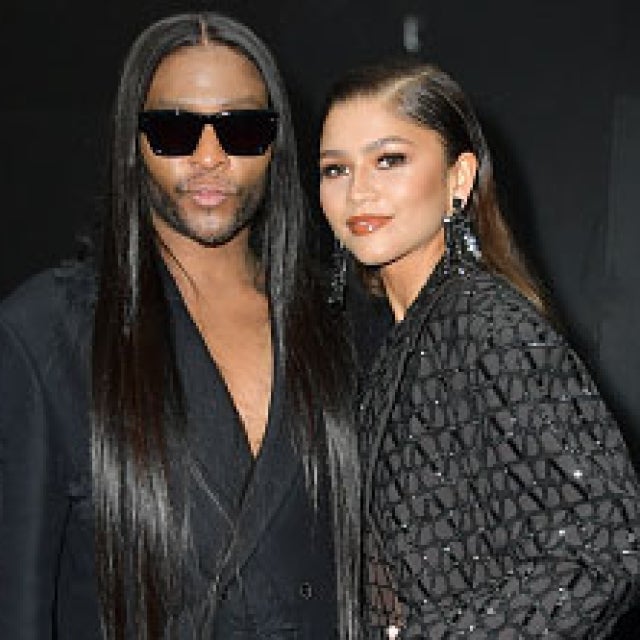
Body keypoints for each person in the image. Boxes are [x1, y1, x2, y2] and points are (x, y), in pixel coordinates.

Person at [0, 12, 360, 639]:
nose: (209, 157)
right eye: (173, 130)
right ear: (133, 143)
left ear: (275, 146)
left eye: (241, 129)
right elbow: (18, 607)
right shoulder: (47, 331)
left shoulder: (340, 323)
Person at [318, 58, 640, 639]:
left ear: (459, 177)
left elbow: (604, 548)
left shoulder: (488, 327)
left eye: (389, 160)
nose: (358, 191)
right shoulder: (400, 335)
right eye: (336, 169)